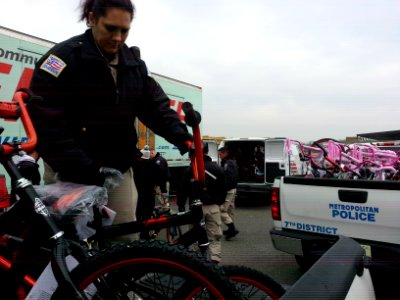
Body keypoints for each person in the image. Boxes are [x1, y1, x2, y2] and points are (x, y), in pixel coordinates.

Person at [27, 0, 192, 240]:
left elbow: (154, 105)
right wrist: (85, 169)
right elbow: (45, 121)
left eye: (124, 30)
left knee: (124, 239)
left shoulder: (133, 64)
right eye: (110, 28)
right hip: (70, 171)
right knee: (67, 243)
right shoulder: (62, 59)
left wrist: (182, 137)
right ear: (92, 19)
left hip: (118, 171)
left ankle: (117, 277)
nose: (117, 38)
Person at [177, 143, 227, 264]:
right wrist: (217, 202)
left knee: (194, 236)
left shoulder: (190, 170)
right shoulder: (217, 168)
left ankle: (197, 263)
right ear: (207, 151)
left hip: (195, 208)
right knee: (215, 236)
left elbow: (182, 190)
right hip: (213, 207)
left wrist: (181, 206)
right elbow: (224, 189)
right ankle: (214, 262)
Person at [218, 146, 239, 240]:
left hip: (228, 190)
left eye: (220, 153)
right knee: (230, 209)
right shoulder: (231, 161)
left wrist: (223, 190)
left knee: (222, 210)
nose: (219, 155)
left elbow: (227, 178)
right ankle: (231, 229)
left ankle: (232, 229)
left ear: (225, 153)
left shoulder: (227, 163)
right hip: (233, 188)